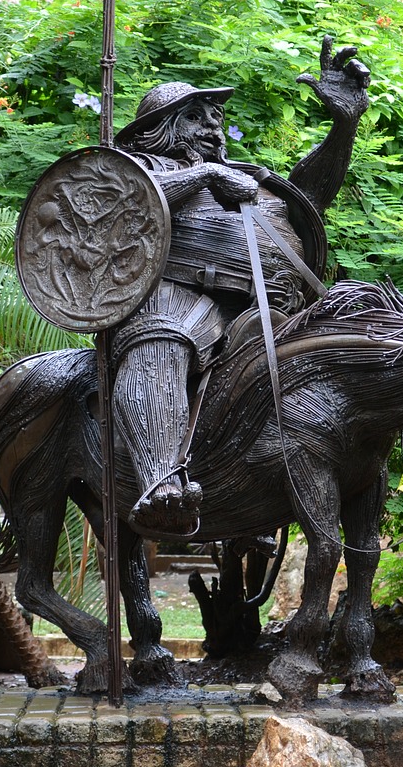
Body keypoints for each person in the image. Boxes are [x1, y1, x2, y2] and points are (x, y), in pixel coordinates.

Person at [112, 37, 370, 539]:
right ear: (158, 131)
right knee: (166, 336)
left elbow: (310, 193)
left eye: (214, 116)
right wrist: (203, 174)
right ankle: (161, 482)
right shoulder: (142, 169)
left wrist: (344, 126)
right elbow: (125, 204)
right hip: (183, 297)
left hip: (275, 311)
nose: (212, 124)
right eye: (196, 115)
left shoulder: (246, 176)